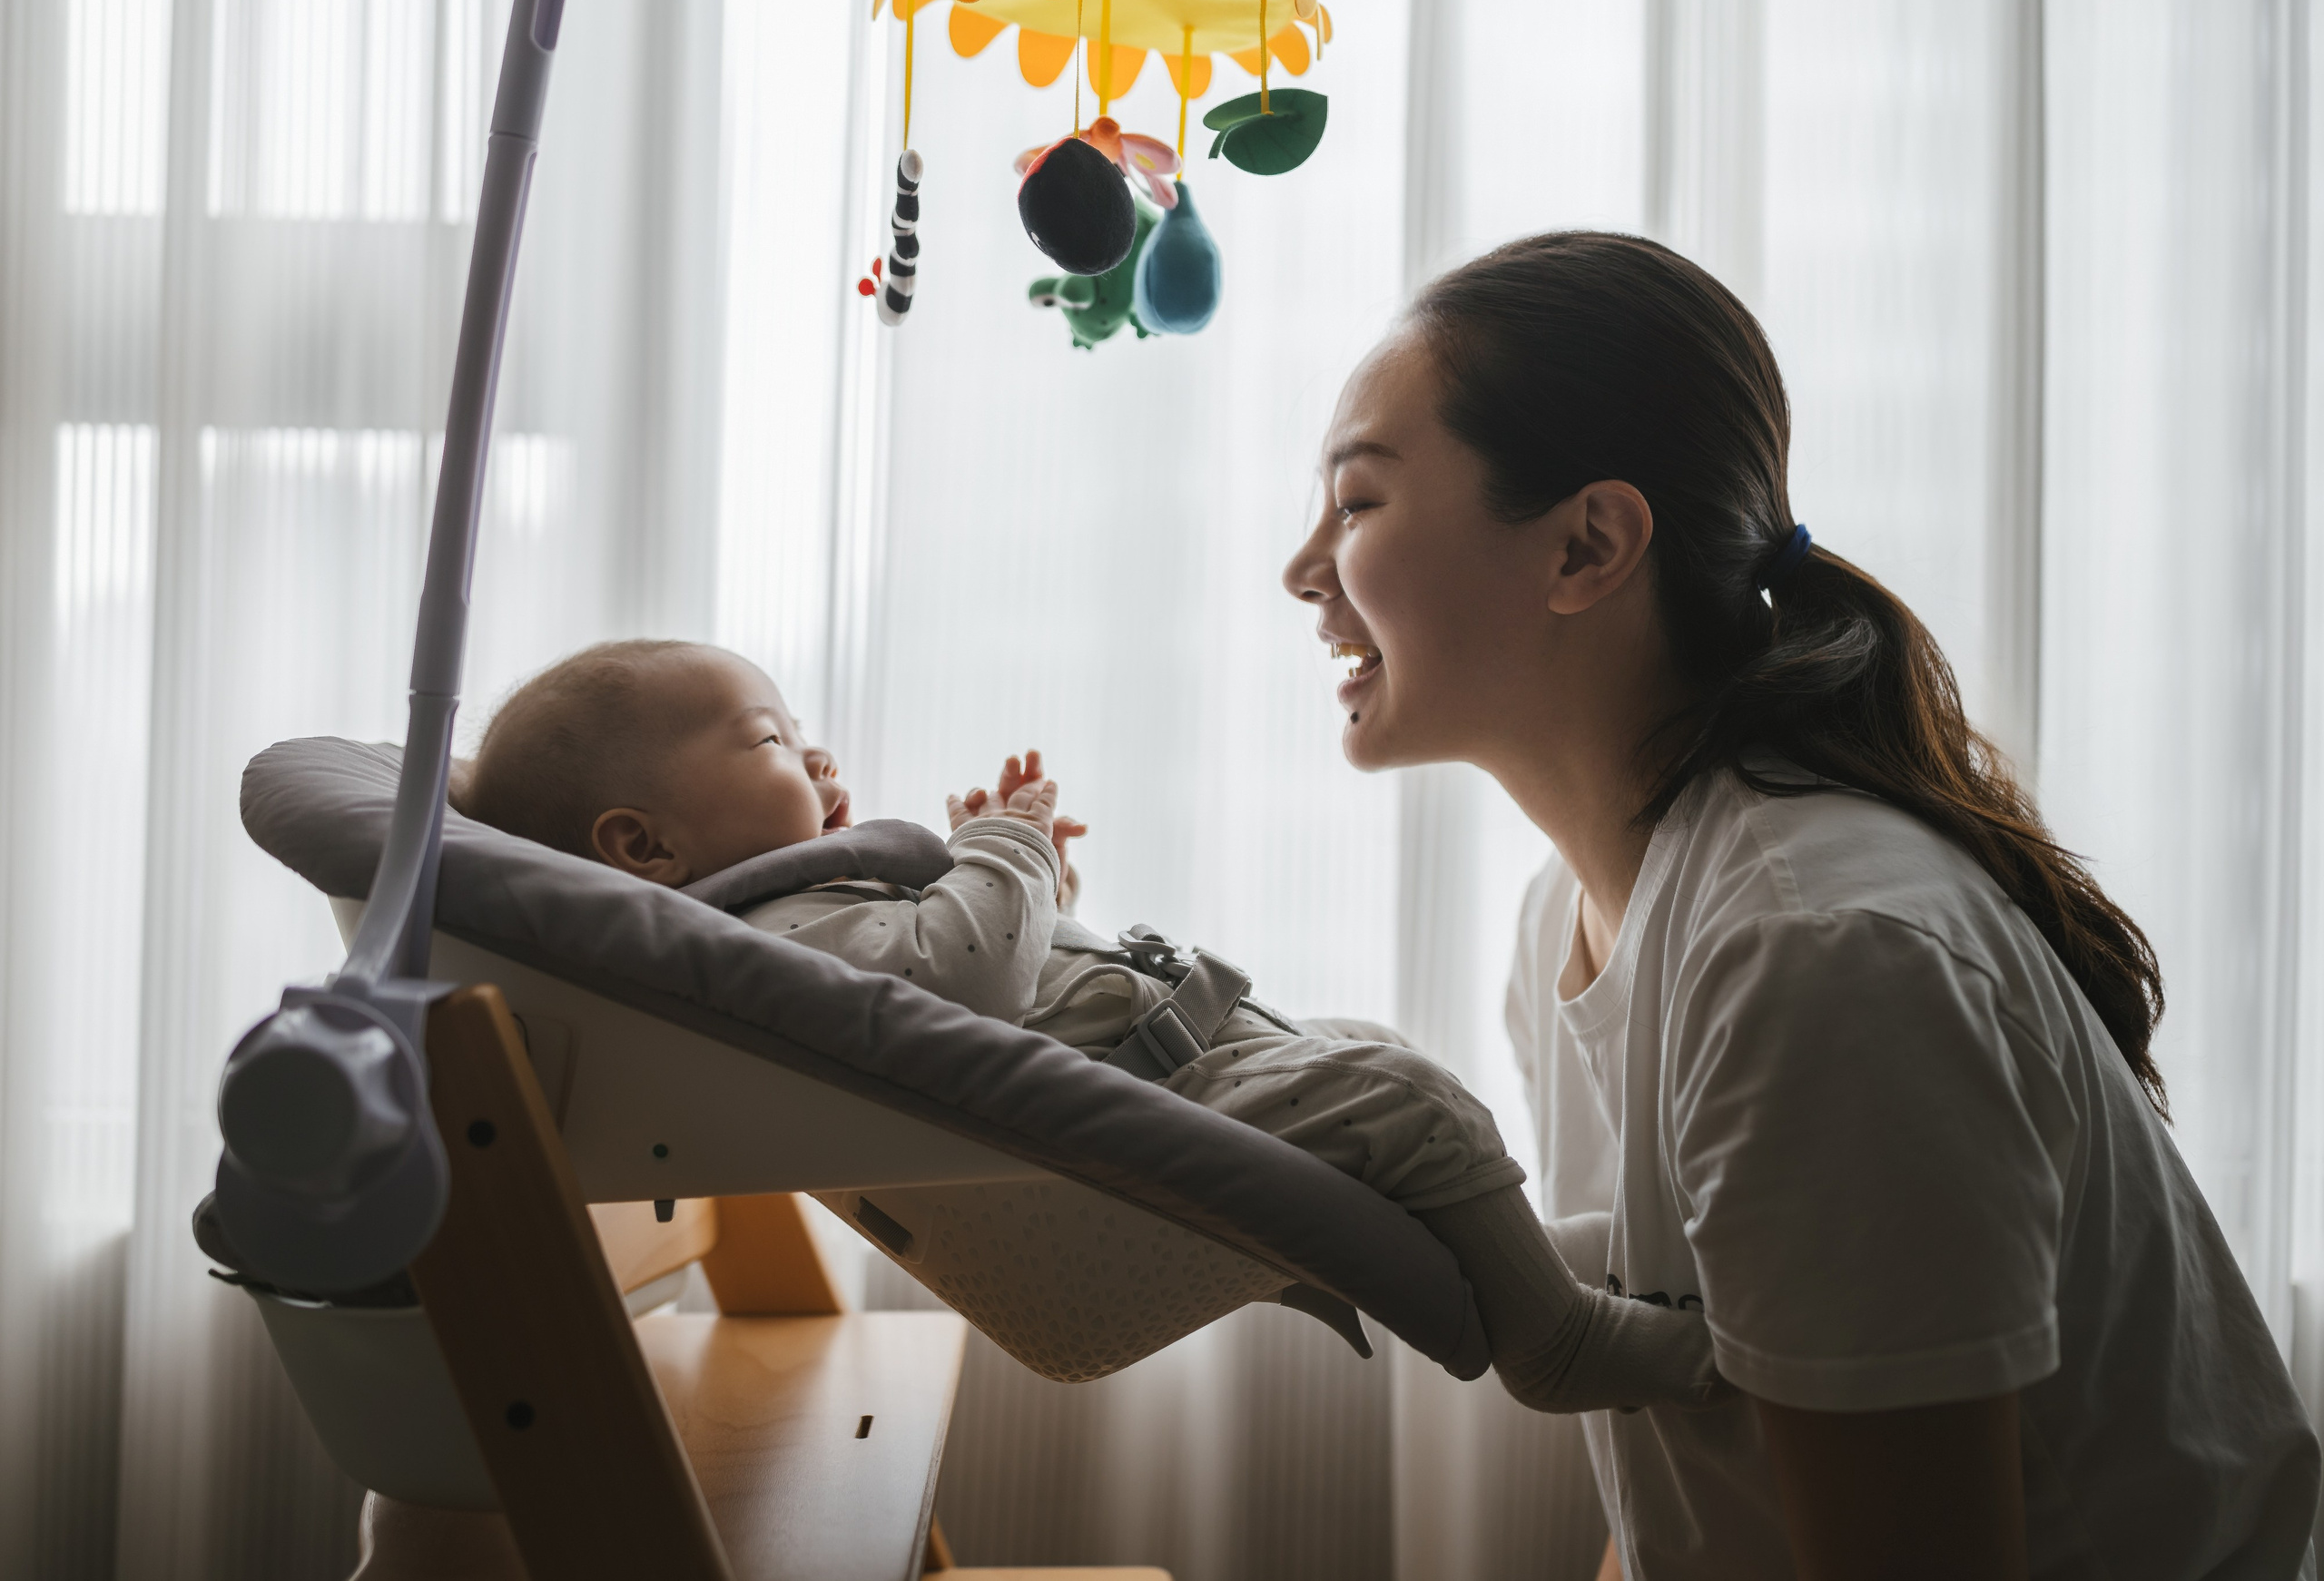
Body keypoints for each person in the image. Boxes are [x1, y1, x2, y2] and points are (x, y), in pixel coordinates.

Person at [1282, 231, 2322, 1579]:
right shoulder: (1573, 919)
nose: (1304, 568)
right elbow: (1701, 1480)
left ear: (1588, 544)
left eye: (1358, 503)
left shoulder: (1816, 955)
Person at [454, 637, 1725, 1414]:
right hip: (1089, 1187)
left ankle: (1531, 1269)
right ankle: (1554, 1342)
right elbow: (956, 991)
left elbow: (999, 1000)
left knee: (1354, 1063)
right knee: (1399, 1096)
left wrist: (1036, 894)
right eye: (770, 736)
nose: (818, 751)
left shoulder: (793, 919)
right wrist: (996, 850)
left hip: (1146, 1089)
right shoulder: (768, 943)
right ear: (647, 843)